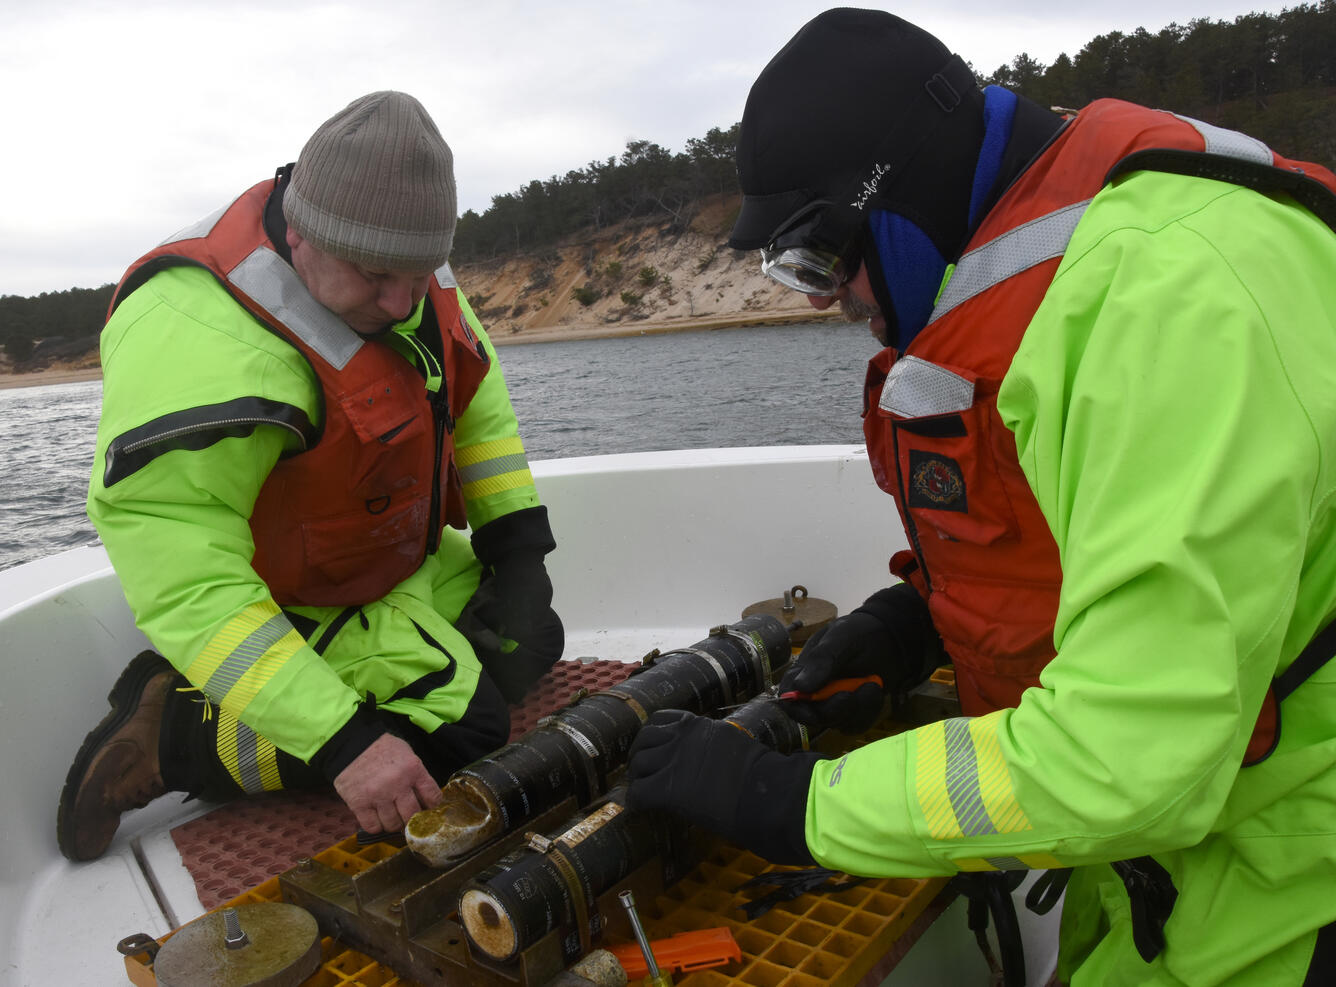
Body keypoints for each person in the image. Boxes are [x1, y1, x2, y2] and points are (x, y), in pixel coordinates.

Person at [626, 8, 1336, 985]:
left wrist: (794, 805)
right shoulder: (1098, 253)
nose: (820, 298)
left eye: (817, 257)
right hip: (1184, 848)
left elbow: (1128, 757)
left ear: (896, 201)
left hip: (1287, 880)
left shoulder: (1168, 302)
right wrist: (916, 622)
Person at [58, 91, 564, 862]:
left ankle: (336, 690)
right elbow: (189, 580)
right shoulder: (198, 334)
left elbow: (476, 397)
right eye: (377, 278)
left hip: (385, 568)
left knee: (532, 634)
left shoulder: (400, 254)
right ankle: (175, 735)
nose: (404, 304)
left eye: (419, 275)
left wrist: (518, 552)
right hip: (285, 600)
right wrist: (342, 744)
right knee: (464, 731)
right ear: (302, 233)